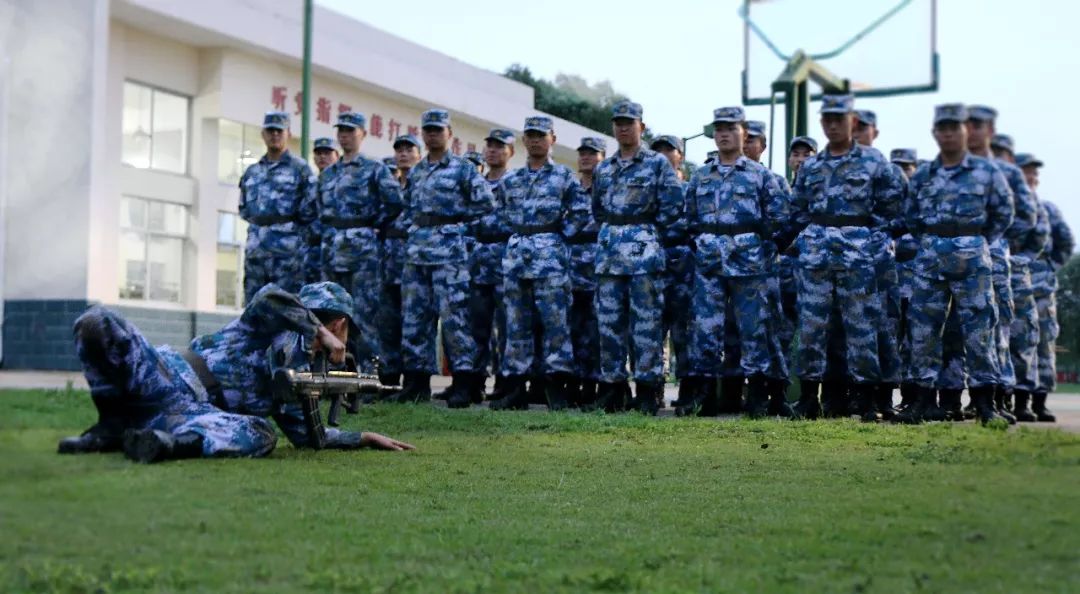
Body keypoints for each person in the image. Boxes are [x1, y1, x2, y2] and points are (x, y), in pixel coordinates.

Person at [58, 282, 415, 462]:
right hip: (163, 375)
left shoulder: (303, 373)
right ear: (340, 324)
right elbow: (270, 297)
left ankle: (166, 445)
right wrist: (317, 331)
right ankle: (110, 428)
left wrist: (361, 436)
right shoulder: (265, 325)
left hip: (192, 416)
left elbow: (307, 435)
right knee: (97, 321)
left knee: (260, 432)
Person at [788, 95, 904, 421]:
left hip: (858, 256)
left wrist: (872, 242)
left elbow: (894, 207)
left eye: (840, 118)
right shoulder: (811, 166)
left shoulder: (874, 162)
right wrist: (802, 243)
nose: (833, 124)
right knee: (812, 328)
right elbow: (797, 212)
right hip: (816, 257)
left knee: (862, 327)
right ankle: (809, 398)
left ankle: (866, 400)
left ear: (852, 121)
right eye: (828, 119)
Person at [900, 104, 1013, 425]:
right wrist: (935, 240)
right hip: (930, 259)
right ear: (935, 133)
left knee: (979, 328)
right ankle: (921, 400)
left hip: (973, 260)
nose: (948, 133)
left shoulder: (987, 172)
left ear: (966, 130)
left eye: (955, 127)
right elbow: (911, 216)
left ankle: (985, 403)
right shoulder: (923, 175)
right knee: (923, 330)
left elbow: (1003, 213)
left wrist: (974, 240)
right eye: (942, 128)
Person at [682, 107, 788, 417]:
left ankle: (756, 396)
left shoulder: (759, 175)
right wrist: (702, 243)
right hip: (710, 262)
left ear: (743, 132)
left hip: (748, 263)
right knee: (706, 329)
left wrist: (757, 245)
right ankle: (707, 397)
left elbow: (778, 218)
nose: (723, 134)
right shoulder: (700, 175)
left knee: (752, 328)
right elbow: (689, 218)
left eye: (730, 128)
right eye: (719, 129)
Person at [391, 109, 494, 404]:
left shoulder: (462, 168)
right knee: (415, 320)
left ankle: (464, 381)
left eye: (438, 130)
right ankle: (416, 382)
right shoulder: (419, 171)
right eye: (428, 130)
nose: (433, 134)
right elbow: (409, 207)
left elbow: (486, 202)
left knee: (455, 319)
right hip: (418, 254)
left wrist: (456, 223)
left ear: (450, 134)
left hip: (449, 255)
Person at [488, 117, 589, 410]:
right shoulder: (512, 180)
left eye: (541, 136)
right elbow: (501, 213)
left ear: (552, 139)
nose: (535, 141)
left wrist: (557, 237)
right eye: (530, 136)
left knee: (555, 323)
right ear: (523, 141)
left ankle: (556, 387)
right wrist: (519, 234)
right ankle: (516, 387)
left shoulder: (564, 177)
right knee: (517, 324)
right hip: (517, 259)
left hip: (550, 260)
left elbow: (580, 212)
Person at [591, 101, 683, 414]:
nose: (623, 127)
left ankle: (647, 389)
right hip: (609, 256)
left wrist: (647, 232)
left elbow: (673, 207)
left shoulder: (657, 164)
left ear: (641, 127)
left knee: (646, 326)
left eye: (629, 122)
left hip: (645, 257)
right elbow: (598, 210)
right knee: (610, 325)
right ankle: (613, 389)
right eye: (618, 122)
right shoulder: (604, 168)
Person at [964, 106, 1039, 423]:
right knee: (966, 334)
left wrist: (994, 239)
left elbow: (1026, 217)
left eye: (979, 125)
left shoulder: (1007, 174)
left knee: (998, 331)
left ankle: (998, 399)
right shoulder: (957, 169)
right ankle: (969, 399)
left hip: (995, 261)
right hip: (962, 263)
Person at [317, 112, 403, 375]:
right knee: (331, 314)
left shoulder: (374, 169)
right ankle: (336, 370)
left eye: (350, 131)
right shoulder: (329, 173)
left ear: (362, 134)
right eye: (341, 130)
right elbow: (320, 208)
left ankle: (370, 373)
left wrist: (371, 223)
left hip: (363, 253)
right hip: (333, 250)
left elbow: (395, 202)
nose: (344, 135)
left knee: (364, 316)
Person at [743, 120, 796, 417]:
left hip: (763, 267)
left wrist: (763, 244)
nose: (748, 145)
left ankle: (776, 394)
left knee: (771, 330)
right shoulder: (717, 177)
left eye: (754, 140)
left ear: (763, 146)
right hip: (727, 268)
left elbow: (783, 222)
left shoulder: (772, 180)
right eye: (745, 139)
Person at [460, 128, 515, 406]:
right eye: (489, 146)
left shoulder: (514, 183)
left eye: (500, 146)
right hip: (479, 262)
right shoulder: (476, 185)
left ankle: (505, 383)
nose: (493, 150)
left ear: (510, 152)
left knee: (507, 328)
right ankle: (474, 382)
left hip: (506, 261)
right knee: (476, 328)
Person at [238, 111, 318, 304]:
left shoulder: (300, 169)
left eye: (279, 131)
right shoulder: (252, 171)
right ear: (263, 134)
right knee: (254, 306)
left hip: (287, 253)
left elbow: (311, 209)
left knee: (287, 306)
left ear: (288, 134)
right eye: (270, 131)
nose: (275, 135)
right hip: (257, 251)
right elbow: (244, 208)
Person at [1017, 152, 1074, 421]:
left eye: (1033, 173)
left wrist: (1049, 268)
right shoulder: (1007, 208)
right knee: (1013, 342)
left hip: (1040, 286)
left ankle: (1039, 401)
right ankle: (1016, 401)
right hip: (1011, 281)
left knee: (1043, 342)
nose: (1031, 177)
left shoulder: (1048, 209)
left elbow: (1065, 241)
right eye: (1025, 171)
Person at [650, 134, 695, 410]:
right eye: (659, 150)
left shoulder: (690, 189)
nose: (664, 154)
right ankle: (653, 389)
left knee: (684, 334)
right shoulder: (645, 190)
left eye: (670, 149)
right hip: (651, 265)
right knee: (650, 332)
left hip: (683, 267)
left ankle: (687, 392)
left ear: (680, 156)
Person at [374, 134, 422, 393]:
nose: (403, 154)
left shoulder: (424, 183)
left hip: (414, 263)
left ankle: (414, 379)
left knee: (414, 323)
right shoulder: (389, 188)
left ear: (419, 154)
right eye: (399, 150)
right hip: (388, 263)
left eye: (409, 149)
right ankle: (389, 376)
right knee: (387, 324)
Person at [566, 137, 606, 408]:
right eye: (582, 153)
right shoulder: (569, 189)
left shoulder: (608, 189)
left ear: (603, 157)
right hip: (570, 268)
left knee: (596, 330)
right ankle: (572, 382)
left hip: (599, 267)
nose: (585, 158)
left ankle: (593, 384)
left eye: (592, 153)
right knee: (571, 329)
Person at [889, 148, 921, 411]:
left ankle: (912, 399)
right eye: (896, 166)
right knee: (887, 342)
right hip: (888, 286)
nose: (901, 172)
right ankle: (884, 398)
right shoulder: (884, 205)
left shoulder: (923, 204)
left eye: (906, 167)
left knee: (915, 344)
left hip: (919, 287)